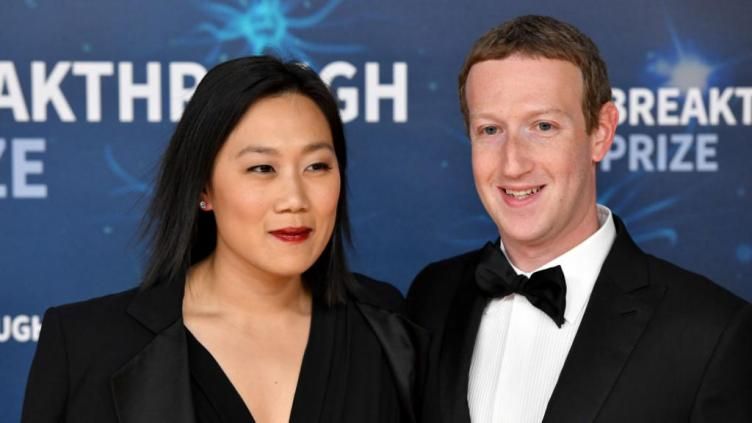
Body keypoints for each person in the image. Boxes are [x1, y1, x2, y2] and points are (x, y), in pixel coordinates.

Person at [22, 56, 424, 423]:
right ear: (203, 188)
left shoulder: (390, 328)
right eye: (262, 168)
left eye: (317, 166)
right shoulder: (86, 346)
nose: (294, 199)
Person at [407, 15, 752, 423]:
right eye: (490, 130)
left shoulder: (709, 333)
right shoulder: (432, 297)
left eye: (543, 126)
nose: (513, 164)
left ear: (601, 132)